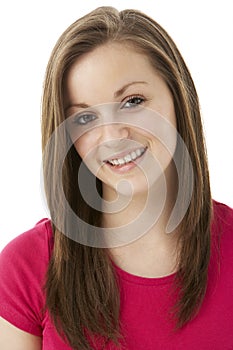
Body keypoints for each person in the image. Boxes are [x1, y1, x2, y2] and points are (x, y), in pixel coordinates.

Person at [0, 6, 233, 350]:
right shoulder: (26, 266)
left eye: (132, 101)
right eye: (84, 119)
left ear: (178, 99)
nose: (112, 135)